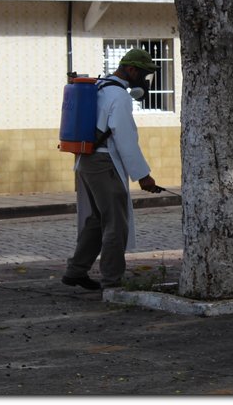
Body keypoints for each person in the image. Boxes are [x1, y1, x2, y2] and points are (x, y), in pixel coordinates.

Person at [62, 48, 163, 291]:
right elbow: (125, 138)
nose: (145, 81)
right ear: (131, 70)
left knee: (97, 219)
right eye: (144, 75)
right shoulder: (119, 97)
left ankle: (76, 271)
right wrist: (143, 176)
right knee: (116, 224)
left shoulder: (100, 86)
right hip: (104, 163)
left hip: (86, 160)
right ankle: (112, 281)